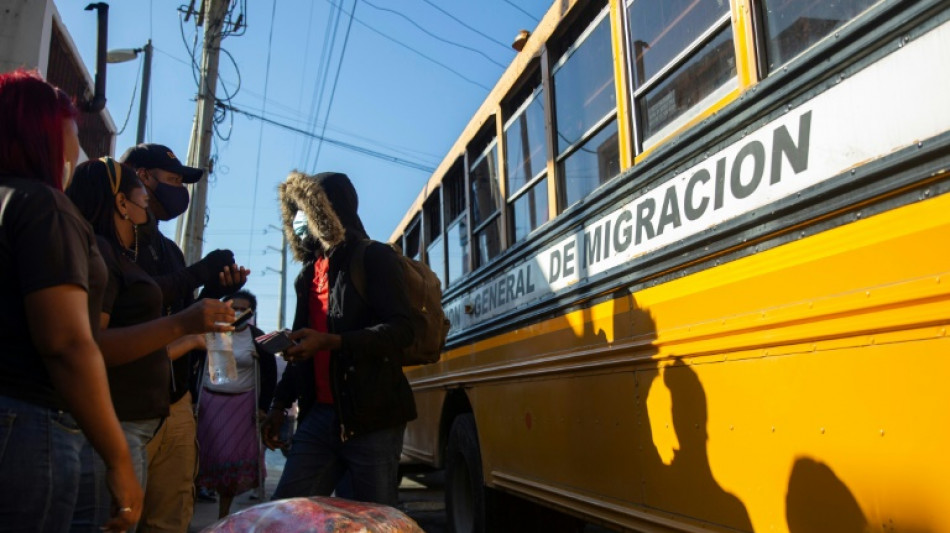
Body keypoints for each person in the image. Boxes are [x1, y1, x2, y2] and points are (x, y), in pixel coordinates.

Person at [0, 69, 142, 531]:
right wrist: (118, 459)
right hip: (30, 426)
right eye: (74, 132)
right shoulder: (43, 206)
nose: (77, 149)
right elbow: (67, 343)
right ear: (43, 131)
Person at [64, 158, 235, 530]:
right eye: (144, 194)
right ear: (123, 203)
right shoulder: (103, 254)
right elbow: (92, 347)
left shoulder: (146, 252)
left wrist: (214, 291)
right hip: (119, 419)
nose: (150, 204)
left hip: (152, 414)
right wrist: (181, 326)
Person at [261, 171, 416, 506]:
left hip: (373, 420)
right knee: (287, 513)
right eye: (295, 210)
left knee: (371, 522)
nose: (300, 218)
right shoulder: (307, 275)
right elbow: (302, 343)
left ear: (329, 209)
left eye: (307, 207)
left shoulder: (374, 257)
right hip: (319, 419)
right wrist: (278, 404)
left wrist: (332, 342)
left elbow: (403, 329)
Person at [119, 143, 249, 532]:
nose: (181, 192)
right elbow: (135, 299)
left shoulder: (169, 249)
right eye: (174, 180)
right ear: (142, 177)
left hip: (175, 404)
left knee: (170, 519)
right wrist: (198, 274)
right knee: (121, 516)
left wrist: (216, 287)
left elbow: (182, 309)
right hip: (127, 405)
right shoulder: (116, 240)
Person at [195, 289, 277, 518]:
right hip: (209, 403)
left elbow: (269, 375)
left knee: (230, 461)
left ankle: (224, 514)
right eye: (233, 307)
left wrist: (263, 407)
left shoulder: (258, 338)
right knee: (203, 456)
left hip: (241, 406)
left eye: (243, 308)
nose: (237, 312)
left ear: (251, 312)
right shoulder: (211, 332)